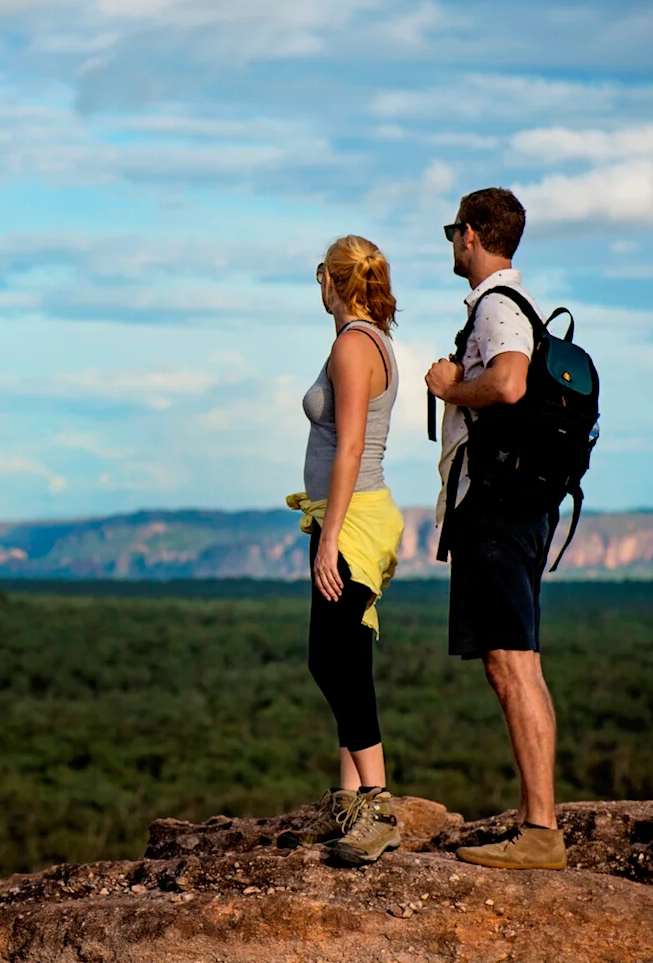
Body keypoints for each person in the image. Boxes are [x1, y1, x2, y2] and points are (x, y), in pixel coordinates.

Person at [424, 187, 566, 870]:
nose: (453, 240)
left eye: (456, 229)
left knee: (512, 663)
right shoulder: (516, 306)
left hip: (500, 507)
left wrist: (451, 388)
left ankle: (539, 830)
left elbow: (509, 384)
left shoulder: (497, 308)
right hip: (519, 504)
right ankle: (536, 821)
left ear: (473, 235)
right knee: (517, 660)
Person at [281, 235, 405, 866]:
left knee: (334, 660)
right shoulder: (370, 339)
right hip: (351, 515)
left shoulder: (353, 345)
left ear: (330, 278)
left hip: (351, 520)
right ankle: (351, 798)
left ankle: (377, 807)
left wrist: (330, 539)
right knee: (341, 651)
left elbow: (351, 447)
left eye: (319, 277)